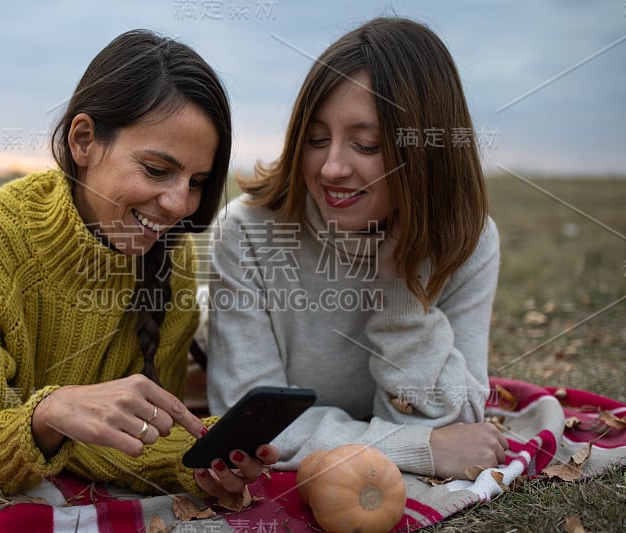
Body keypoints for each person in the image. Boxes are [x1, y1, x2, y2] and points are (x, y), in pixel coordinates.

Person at [0, 29, 279, 503]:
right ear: (83, 140)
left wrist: (197, 459)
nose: (177, 204)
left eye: (198, 181)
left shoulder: (172, 256)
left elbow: (122, 441)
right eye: (156, 169)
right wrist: (48, 413)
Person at [206, 17, 508, 480]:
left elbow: (458, 425)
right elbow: (248, 428)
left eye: (365, 144)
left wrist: (399, 290)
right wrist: (417, 448)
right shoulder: (248, 231)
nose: (330, 168)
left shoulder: (469, 241)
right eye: (316, 140)